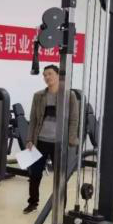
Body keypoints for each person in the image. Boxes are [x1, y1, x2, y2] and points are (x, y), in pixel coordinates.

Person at [23, 64, 79, 214]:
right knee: (34, 174)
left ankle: (60, 207)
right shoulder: (39, 96)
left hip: (59, 143)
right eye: (44, 75)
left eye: (50, 74)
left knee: (60, 177)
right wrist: (29, 139)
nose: (47, 77)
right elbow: (33, 120)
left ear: (58, 75)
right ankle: (32, 202)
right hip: (40, 141)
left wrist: (71, 139)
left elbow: (74, 119)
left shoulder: (69, 96)